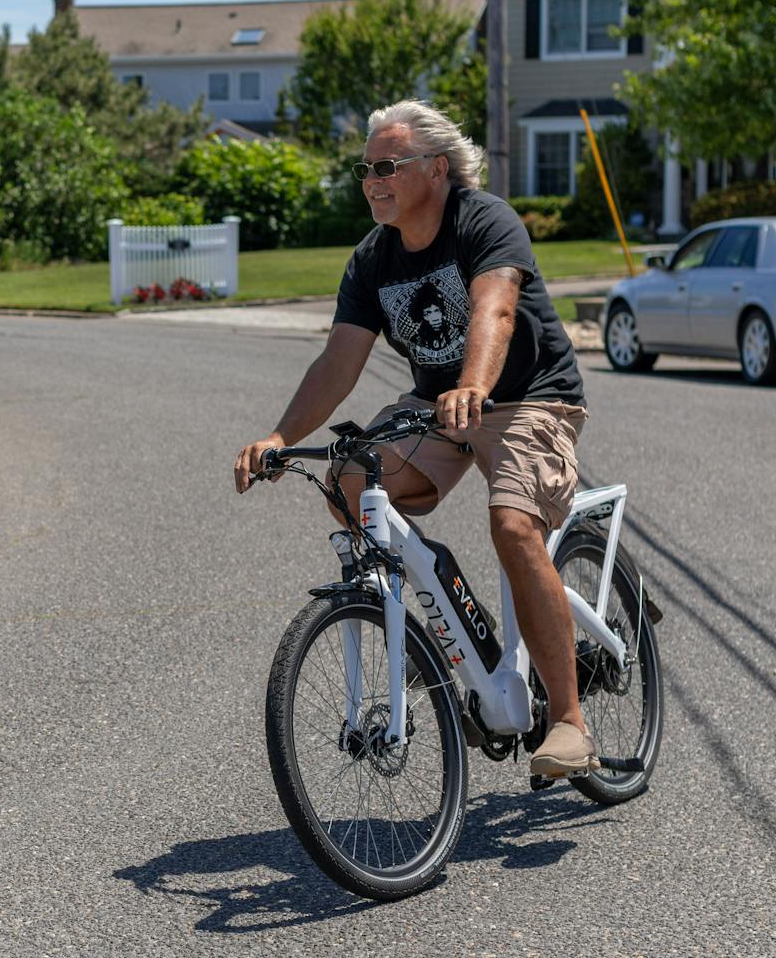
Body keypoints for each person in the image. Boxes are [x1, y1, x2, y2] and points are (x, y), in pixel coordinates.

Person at [231, 99, 594, 777]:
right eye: (367, 169)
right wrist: (279, 435)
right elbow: (339, 360)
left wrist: (474, 385)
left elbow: (495, 310)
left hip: (527, 397)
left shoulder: (483, 219)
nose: (372, 180)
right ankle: (445, 632)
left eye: (387, 166)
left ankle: (570, 720)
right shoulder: (373, 258)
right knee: (349, 480)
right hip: (437, 406)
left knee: (514, 526)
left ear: (436, 168)